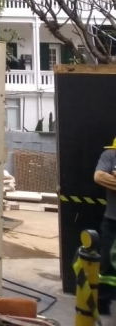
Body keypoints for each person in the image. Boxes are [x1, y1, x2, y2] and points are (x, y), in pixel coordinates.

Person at [94, 137, 116, 319]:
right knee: (107, 261)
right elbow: (100, 176)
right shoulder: (110, 155)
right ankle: (103, 301)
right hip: (112, 221)